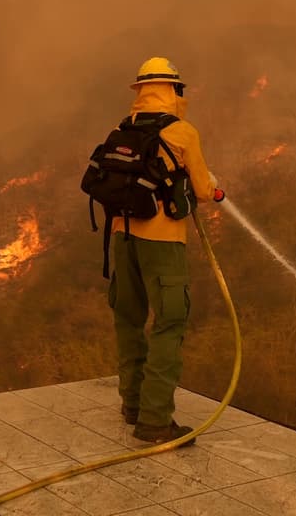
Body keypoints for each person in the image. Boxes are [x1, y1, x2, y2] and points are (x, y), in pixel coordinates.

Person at [111, 57, 224, 445]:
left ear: (141, 92)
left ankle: (132, 405)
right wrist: (214, 188)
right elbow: (204, 190)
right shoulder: (182, 132)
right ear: (173, 90)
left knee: (128, 319)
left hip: (120, 237)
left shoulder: (121, 129)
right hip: (162, 240)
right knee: (169, 322)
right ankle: (156, 420)